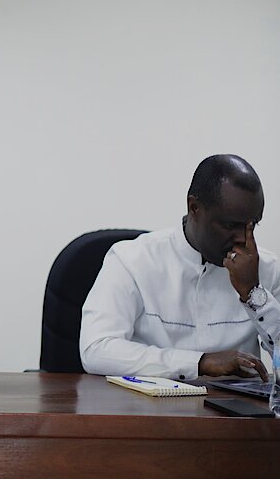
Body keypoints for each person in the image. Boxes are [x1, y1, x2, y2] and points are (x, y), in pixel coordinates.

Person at [80, 154, 280, 381]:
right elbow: (96, 349)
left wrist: (254, 295)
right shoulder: (132, 260)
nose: (243, 238)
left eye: (252, 225)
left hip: (238, 404)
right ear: (194, 208)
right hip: (149, 402)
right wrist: (200, 362)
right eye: (229, 225)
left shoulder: (266, 268)